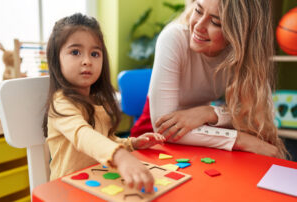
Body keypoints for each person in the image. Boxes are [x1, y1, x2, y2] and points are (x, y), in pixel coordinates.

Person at [132, 0, 289, 159]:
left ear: (238, 34)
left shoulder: (240, 54)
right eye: (198, 11)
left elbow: (262, 113)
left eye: (215, 22)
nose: (199, 26)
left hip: (201, 136)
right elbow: (164, 129)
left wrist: (211, 113)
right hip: (153, 140)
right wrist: (241, 139)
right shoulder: (174, 37)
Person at [42, 13, 165, 193]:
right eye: (75, 52)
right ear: (56, 59)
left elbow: (105, 139)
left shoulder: (98, 101)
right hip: (66, 190)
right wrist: (120, 156)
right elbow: (84, 136)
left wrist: (131, 144)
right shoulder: (61, 103)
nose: (87, 61)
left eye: (95, 53)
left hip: (97, 183)